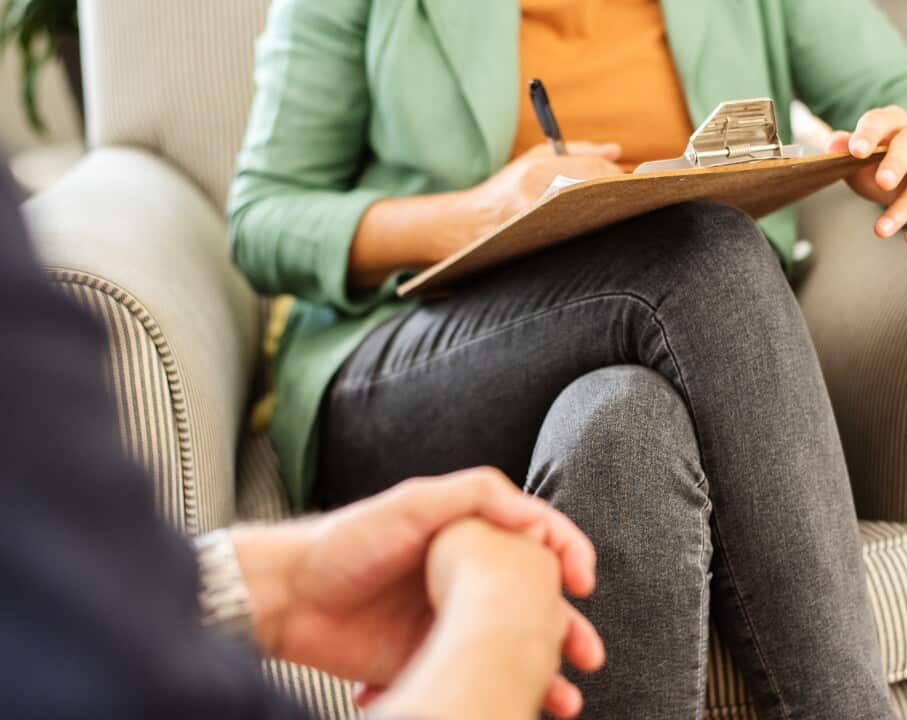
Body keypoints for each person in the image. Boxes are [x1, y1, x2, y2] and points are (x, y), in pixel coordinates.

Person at [230, 1, 907, 717]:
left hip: (669, 357)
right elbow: (264, 217)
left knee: (624, 427)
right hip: (417, 364)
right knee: (707, 252)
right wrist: (480, 212)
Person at [0, 163, 604, 719]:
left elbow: (64, 605)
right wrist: (500, 626)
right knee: (685, 259)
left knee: (616, 415)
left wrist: (273, 584)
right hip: (403, 342)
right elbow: (99, 662)